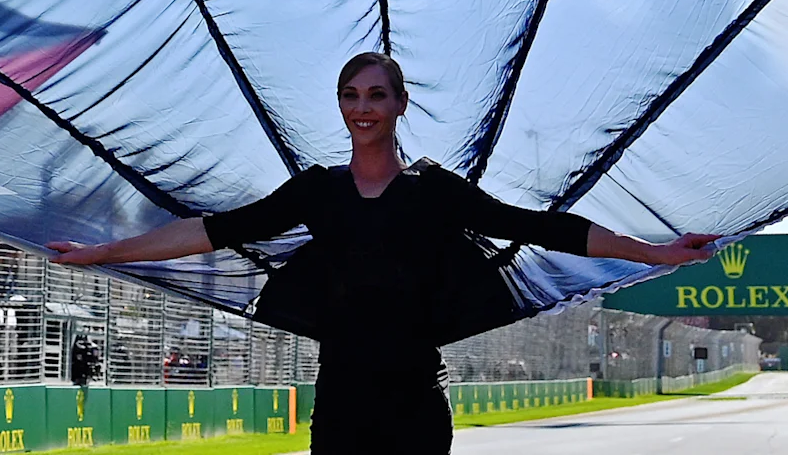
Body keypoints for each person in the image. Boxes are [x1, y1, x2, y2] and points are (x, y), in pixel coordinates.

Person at [46, 52, 708, 454]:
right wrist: (105, 253)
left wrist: (651, 252)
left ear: (400, 104)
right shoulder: (316, 191)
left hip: (417, 404)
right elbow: (213, 231)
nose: (363, 108)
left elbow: (541, 228)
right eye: (351, 95)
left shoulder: (437, 192)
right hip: (340, 403)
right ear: (340, 104)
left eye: (376, 95)